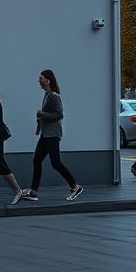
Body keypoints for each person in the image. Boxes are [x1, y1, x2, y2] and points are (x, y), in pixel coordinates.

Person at [21, 69, 84, 202]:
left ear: (48, 80)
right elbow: (50, 115)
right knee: (37, 160)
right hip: (46, 135)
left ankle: (75, 186)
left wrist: (42, 114)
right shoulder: (47, 95)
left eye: (41, 78)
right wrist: (41, 117)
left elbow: (59, 115)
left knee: (55, 163)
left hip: (52, 135)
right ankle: (33, 191)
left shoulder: (54, 96)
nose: (39, 81)